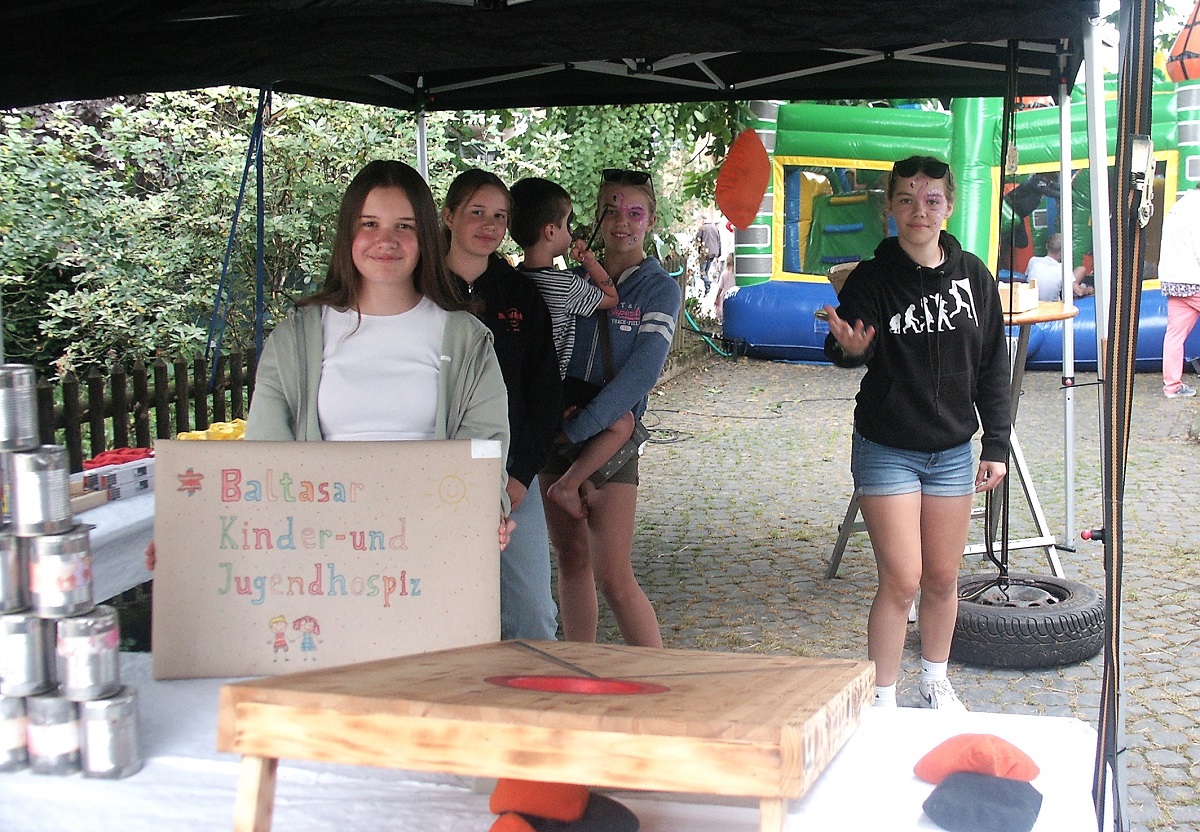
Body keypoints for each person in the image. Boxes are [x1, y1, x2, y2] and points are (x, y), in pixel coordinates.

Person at [145, 160, 513, 570]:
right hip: (322, 561)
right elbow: (263, 463)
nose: (386, 241)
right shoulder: (295, 340)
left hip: (429, 554)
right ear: (347, 234)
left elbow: (486, 449)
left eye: (404, 226)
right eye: (369, 224)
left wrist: (488, 511)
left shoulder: (467, 339)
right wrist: (192, 531)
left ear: (425, 235)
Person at [822, 155, 1010, 711]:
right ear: (890, 207)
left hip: (953, 449)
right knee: (902, 577)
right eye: (906, 199)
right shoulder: (873, 278)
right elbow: (847, 341)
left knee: (942, 576)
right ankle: (882, 698)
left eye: (931, 200)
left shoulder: (974, 274)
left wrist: (995, 443)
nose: (918, 211)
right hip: (887, 447)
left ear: (948, 207)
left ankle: (934, 678)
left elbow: (993, 364)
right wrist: (849, 349)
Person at [540, 168, 681, 648]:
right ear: (596, 219)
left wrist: (583, 429)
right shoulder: (575, 282)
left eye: (634, 213)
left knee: (615, 578)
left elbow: (641, 375)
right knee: (570, 561)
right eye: (611, 211)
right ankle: (582, 668)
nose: (622, 222)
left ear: (651, 220)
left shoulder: (660, 289)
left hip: (607, 441)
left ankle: (663, 688)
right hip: (556, 432)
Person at [441, 168, 564, 641]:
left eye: (499, 216)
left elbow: (544, 393)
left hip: (512, 479)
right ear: (449, 216)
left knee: (532, 614)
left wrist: (519, 478)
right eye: (477, 213)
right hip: (436, 474)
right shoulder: (418, 291)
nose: (489, 225)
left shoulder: (522, 294)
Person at [509, 176, 635, 521]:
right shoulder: (565, 284)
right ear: (551, 232)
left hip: (525, 389)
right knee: (622, 423)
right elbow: (610, 298)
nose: (569, 233)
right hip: (556, 385)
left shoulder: (515, 282)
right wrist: (591, 262)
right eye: (565, 225)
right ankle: (568, 483)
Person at [1159, 182, 1200, 398]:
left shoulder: (1178, 207)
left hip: (1173, 280)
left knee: (1174, 335)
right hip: (1194, 280)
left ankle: (1172, 386)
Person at [694, 216, 722, 294]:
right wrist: (719, 254)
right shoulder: (715, 228)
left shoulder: (702, 228)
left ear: (702, 221)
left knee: (702, 272)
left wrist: (698, 251)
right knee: (706, 271)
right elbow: (719, 241)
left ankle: (708, 285)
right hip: (713, 253)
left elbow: (697, 241)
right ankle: (707, 287)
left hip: (704, 253)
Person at [713, 251, 737, 323]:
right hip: (736, 296)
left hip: (726, 297)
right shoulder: (738, 274)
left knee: (726, 316)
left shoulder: (724, 273)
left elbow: (720, 288)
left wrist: (717, 298)